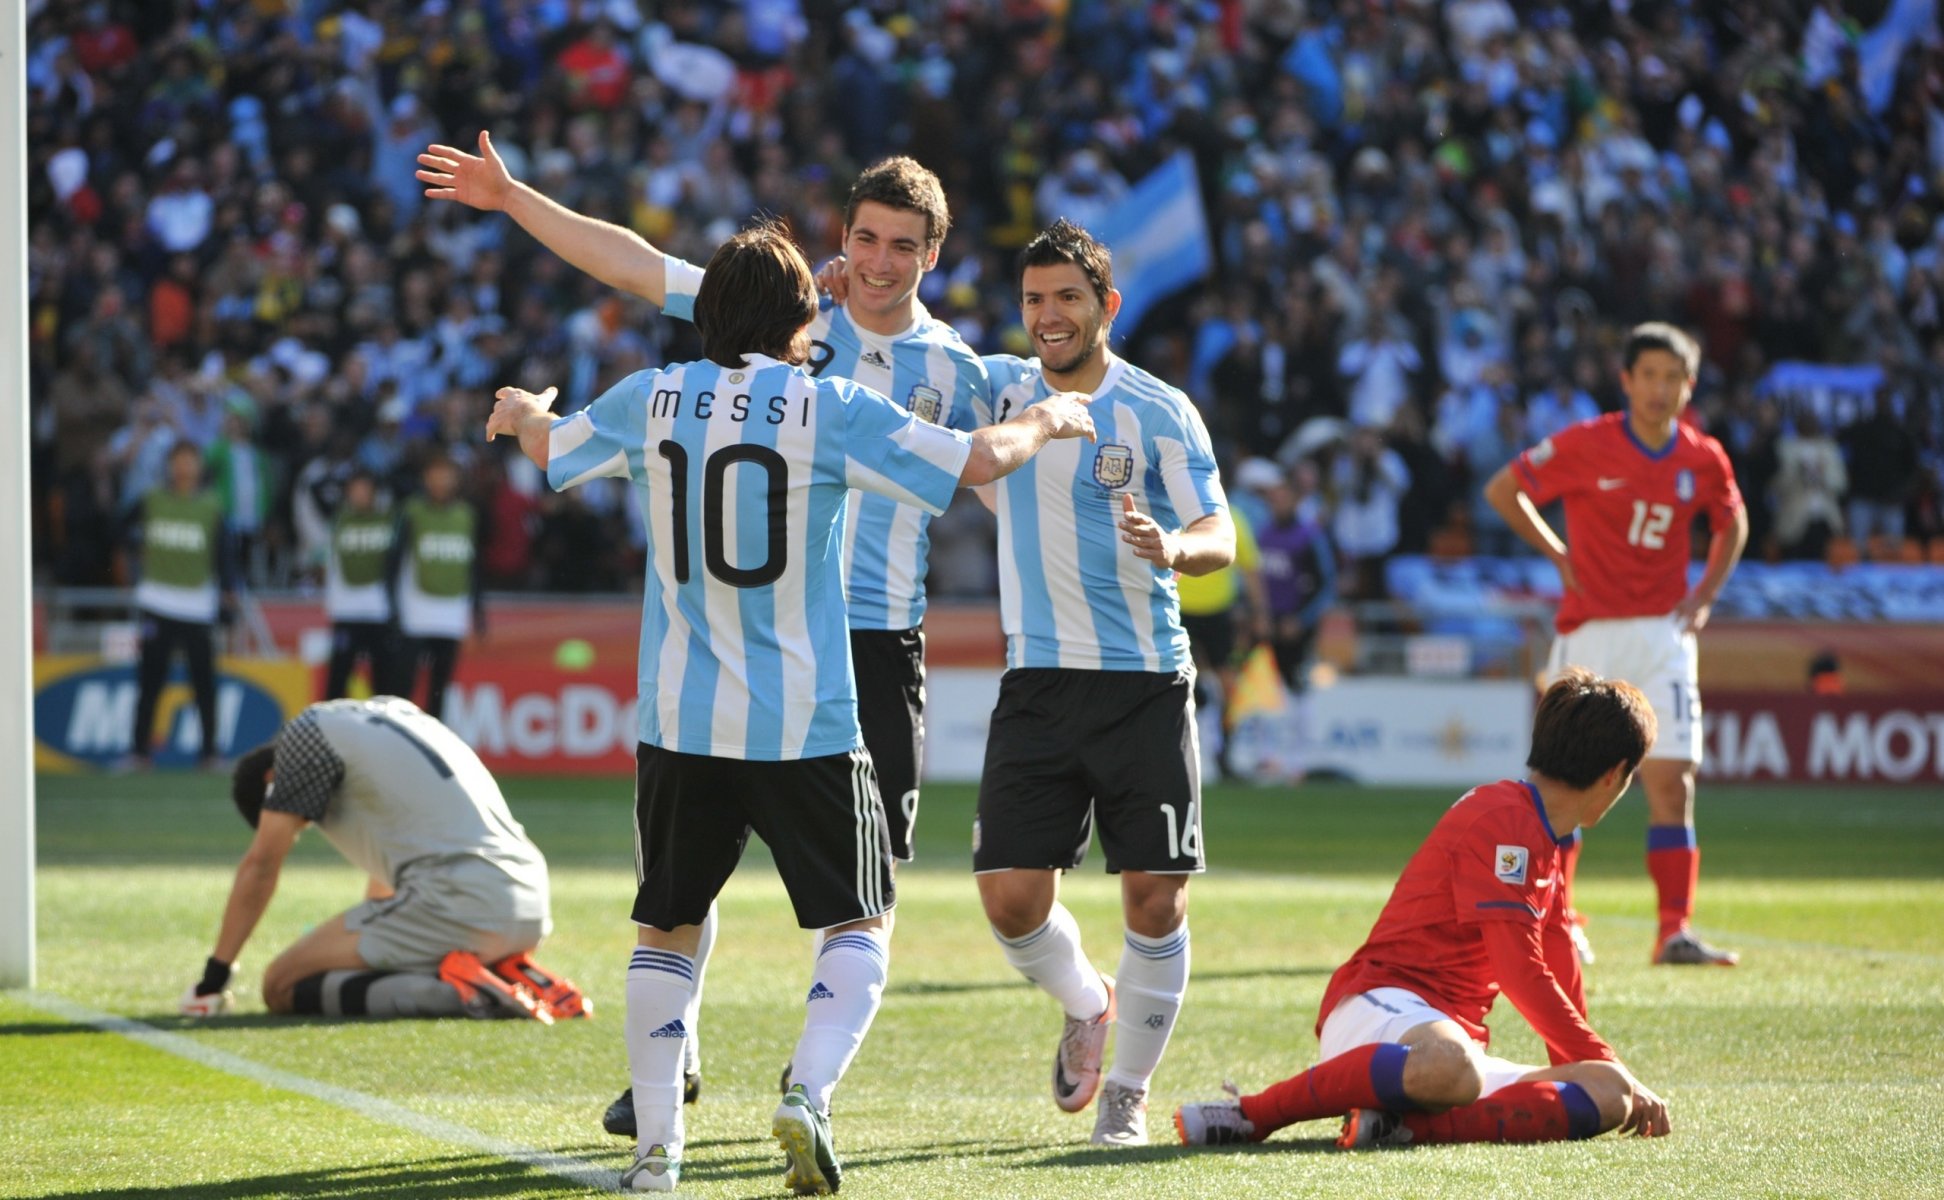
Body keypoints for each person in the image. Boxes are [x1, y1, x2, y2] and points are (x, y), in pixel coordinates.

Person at [486, 220, 1094, 1195]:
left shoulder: (652, 397)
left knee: (667, 930)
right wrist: (1050, 419)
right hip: (805, 719)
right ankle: (807, 1093)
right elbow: (977, 461)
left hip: (682, 719)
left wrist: (522, 410)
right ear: (798, 318)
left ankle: (655, 1154)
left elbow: (549, 445)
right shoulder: (825, 405)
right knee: (856, 924)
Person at [419, 138, 989, 1120]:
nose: (880, 261)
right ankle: (680, 1072)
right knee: (700, 884)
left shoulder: (961, 367)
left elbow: (1002, 470)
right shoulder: (781, 310)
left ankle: (763, 1090)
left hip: (869, 642)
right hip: (763, 640)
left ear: (931, 256)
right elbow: (632, 263)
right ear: (837, 248)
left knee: (854, 892)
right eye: (865, 238)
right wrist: (516, 199)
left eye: (902, 245)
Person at [972, 219, 1234, 1146]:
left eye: (1068, 299)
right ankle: (1089, 1002)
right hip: (1037, 680)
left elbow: (1219, 532)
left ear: (1106, 307)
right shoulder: (1000, 390)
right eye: (1035, 299)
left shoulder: (1160, 410)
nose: (1049, 316)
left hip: (1143, 682)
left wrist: (1175, 547)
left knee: (1155, 899)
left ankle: (1125, 1091)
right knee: (1009, 899)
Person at [1174, 669, 1672, 1150]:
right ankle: (1251, 1115)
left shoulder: (1544, 838)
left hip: (1447, 1055)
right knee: (1455, 1067)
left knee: (1611, 1096)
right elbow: (1521, 973)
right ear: (1614, 775)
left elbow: (1561, 970)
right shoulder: (1506, 821)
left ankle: (1401, 1127)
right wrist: (1601, 1059)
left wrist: (1600, 1071)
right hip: (1380, 1010)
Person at [1483, 322, 1749, 966]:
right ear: (1626, 380)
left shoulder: (1702, 456)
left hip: (1663, 634)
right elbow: (1503, 489)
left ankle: (1673, 931)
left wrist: (1706, 594)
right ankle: (1560, 920)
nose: (1660, 389)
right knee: (1562, 783)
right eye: (1648, 375)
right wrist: (1558, 554)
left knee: (1672, 781)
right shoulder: (1587, 443)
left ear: (1689, 387)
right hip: (1589, 631)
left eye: (1673, 378)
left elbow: (1732, 521)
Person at [178, 696, 580, 1024]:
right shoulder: (395, 713)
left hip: (459, 898)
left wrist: (214, 979)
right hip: (529, 897)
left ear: (272, 782)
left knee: (280, 983)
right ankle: (498, 969)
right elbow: (386, 881)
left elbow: (262, 863)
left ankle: (461, 993)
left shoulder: (305, 737)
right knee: (365, 954)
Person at [124, 439, 237, 770]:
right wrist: (132, 560)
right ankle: (138, 751)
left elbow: (224, 553)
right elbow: (119, 530)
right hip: (156, 601)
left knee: (204, 682)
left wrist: (228, 591)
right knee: (150, 681)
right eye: (179, 460)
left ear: (199, 466)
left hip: (197, 605)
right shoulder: (151, 500)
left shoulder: (212, 506)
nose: (185, 467)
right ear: (170, 465)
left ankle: (210, 753)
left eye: (191, 460)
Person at [390, 453, 482, 722]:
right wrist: (394, 608)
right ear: (425, 478)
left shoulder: (467, 515)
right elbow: (393, 563)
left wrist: (478, 613)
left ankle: (433, 745)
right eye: (436, 473)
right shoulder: (410, 511)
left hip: (451, 614)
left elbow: (473, 567)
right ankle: (400, 737)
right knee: (403, 684)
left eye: (447, 474)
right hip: (415, 611)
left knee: (441, 688)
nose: (441, 480)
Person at [323, 468, 397, 700]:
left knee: (383, 681)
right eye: (355, 490)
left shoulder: (390, 520)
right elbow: (332, 566)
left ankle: (384, 731)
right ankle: (332, 732)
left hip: (379, 610)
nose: (360, 495)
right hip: (346, 611)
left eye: (365, 490)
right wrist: (332, 606)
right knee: (338, 677)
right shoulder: (339, 521)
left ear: (375, 492)